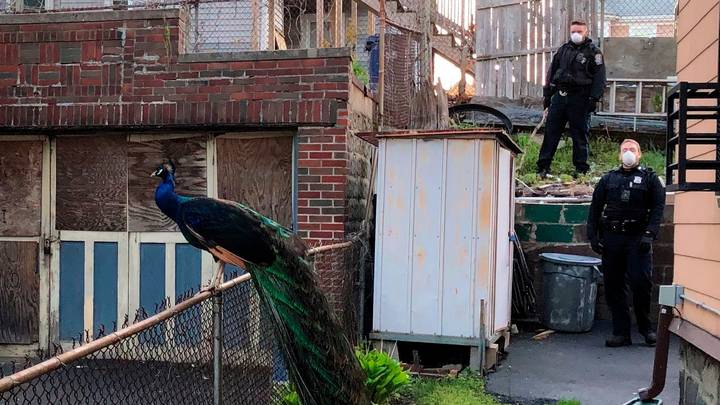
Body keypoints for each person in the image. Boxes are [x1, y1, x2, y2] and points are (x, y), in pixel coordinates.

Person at [587, 139, 666, 347]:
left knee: (641, 283)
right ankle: (621, 332)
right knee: (614, 285)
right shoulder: (608, 179)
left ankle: (646, 328)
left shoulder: (650, 179)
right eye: (624, 150)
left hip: (637, 239)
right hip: (612, 239)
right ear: (619, 155)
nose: (628, 152)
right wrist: (593, 237)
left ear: (639, 154)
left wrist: (650, 234)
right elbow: (595, 209)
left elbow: (658, 208)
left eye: (632, 149)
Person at [538, 20, 606, 178]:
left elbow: (600, 77)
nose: (576, 34)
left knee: (579, 134)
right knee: (551, 132)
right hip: (560, 97)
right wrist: (548, 95)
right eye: (573, 31)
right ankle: (543, 167)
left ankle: (581, 169)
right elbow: (552, 72)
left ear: (586, 32)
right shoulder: (563, 50)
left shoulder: (594, 52)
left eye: (579, 31)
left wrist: (593, 98)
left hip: (580, 97)